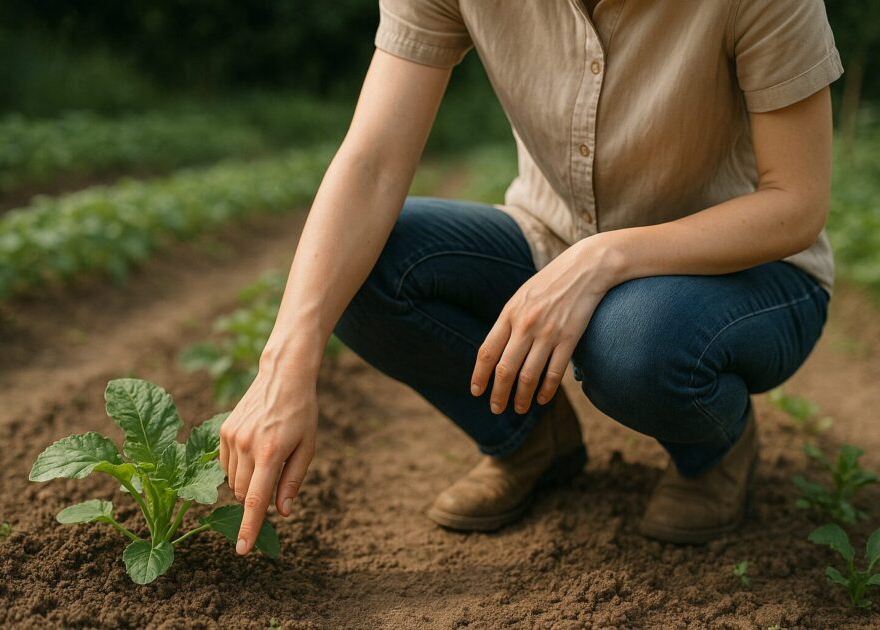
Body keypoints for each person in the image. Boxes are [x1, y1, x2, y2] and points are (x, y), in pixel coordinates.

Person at [219, 0, 843, 553]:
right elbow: (371, 163)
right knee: (362, 266)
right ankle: (531, 442)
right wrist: (283, 367)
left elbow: (795, 202)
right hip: (551, 239)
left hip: (747, 272)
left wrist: (603, 259)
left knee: (631, 342)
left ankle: (715, 450)